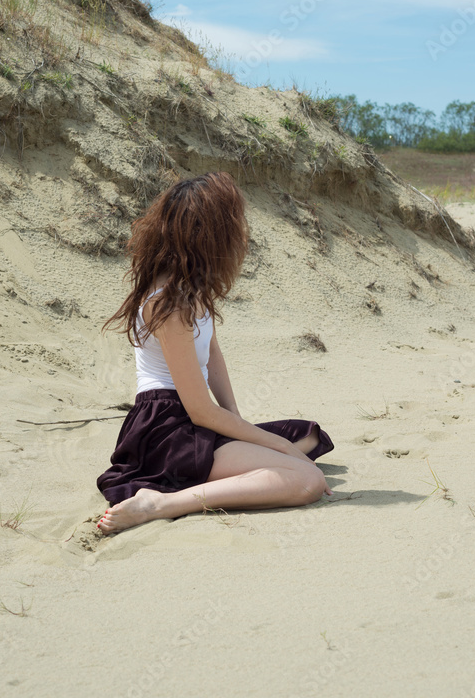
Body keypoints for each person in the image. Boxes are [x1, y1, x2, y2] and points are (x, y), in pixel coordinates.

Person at [96, 171, 334, 535]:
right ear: (209, 235)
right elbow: (199, 409)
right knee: (307, 480)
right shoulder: (168, 305)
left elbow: (213, 356)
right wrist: (283, 451)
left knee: (310, 436)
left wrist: (238, 422)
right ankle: (159, 504)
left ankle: (248, 466)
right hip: (167, 429)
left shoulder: (191, 290)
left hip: (192, 418)